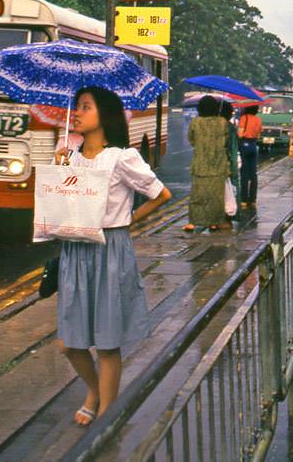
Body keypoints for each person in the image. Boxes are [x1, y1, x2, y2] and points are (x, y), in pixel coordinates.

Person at [52, 87, 172, 426]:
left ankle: (106, 413)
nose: (76, 113)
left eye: (85, 107)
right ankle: (94, 391)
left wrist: (128, 220)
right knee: (69, 342)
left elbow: (161, 194)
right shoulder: (69, 155)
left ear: (104, 115)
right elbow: (60, 203)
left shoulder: (121, 157)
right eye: (77, 107)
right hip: (75, 251)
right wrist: (59, 168)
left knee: (106, 342)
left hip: (109, 250)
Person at [184, 95, 231, 232]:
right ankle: (214, 223)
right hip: (218, 164)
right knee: (216, 196)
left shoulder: (195, 122)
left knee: (197, 194)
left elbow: (191, 140)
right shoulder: (223, 122)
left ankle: (192, 222)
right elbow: (226, 141)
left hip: (200, 163)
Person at [237, 104, 263, 208]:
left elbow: (240, 134)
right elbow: (259, 134)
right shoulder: (258, 119)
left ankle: (244, 200)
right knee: (253, 174)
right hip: (253, 145)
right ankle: (253, 200)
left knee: (244, 174)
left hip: (245, 145)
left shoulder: (244, 118)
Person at [220, 100, 240, 216]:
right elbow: (233, 149)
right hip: (227, 162)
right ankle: (232, 214)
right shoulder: (230, 127)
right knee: (231, 191)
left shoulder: (215, 125)